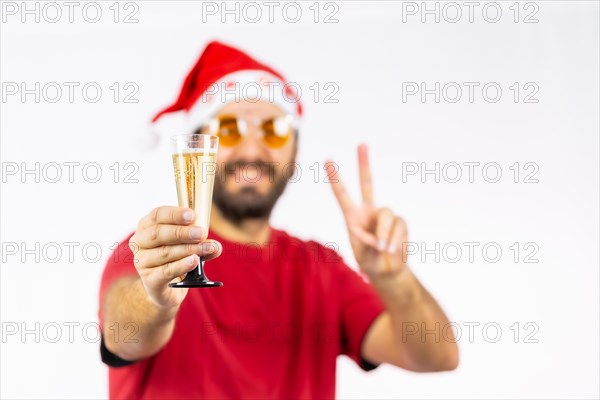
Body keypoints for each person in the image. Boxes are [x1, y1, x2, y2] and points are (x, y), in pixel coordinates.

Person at [98, 40, 459, 399]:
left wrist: (393, 278)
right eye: (228, 127)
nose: (253, 150)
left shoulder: (320, 269)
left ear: (295, 149)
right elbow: (123, 338)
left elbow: (437, 356)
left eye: (274, 130)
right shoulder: (153, 253)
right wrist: (155, 299)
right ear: (197, 145)